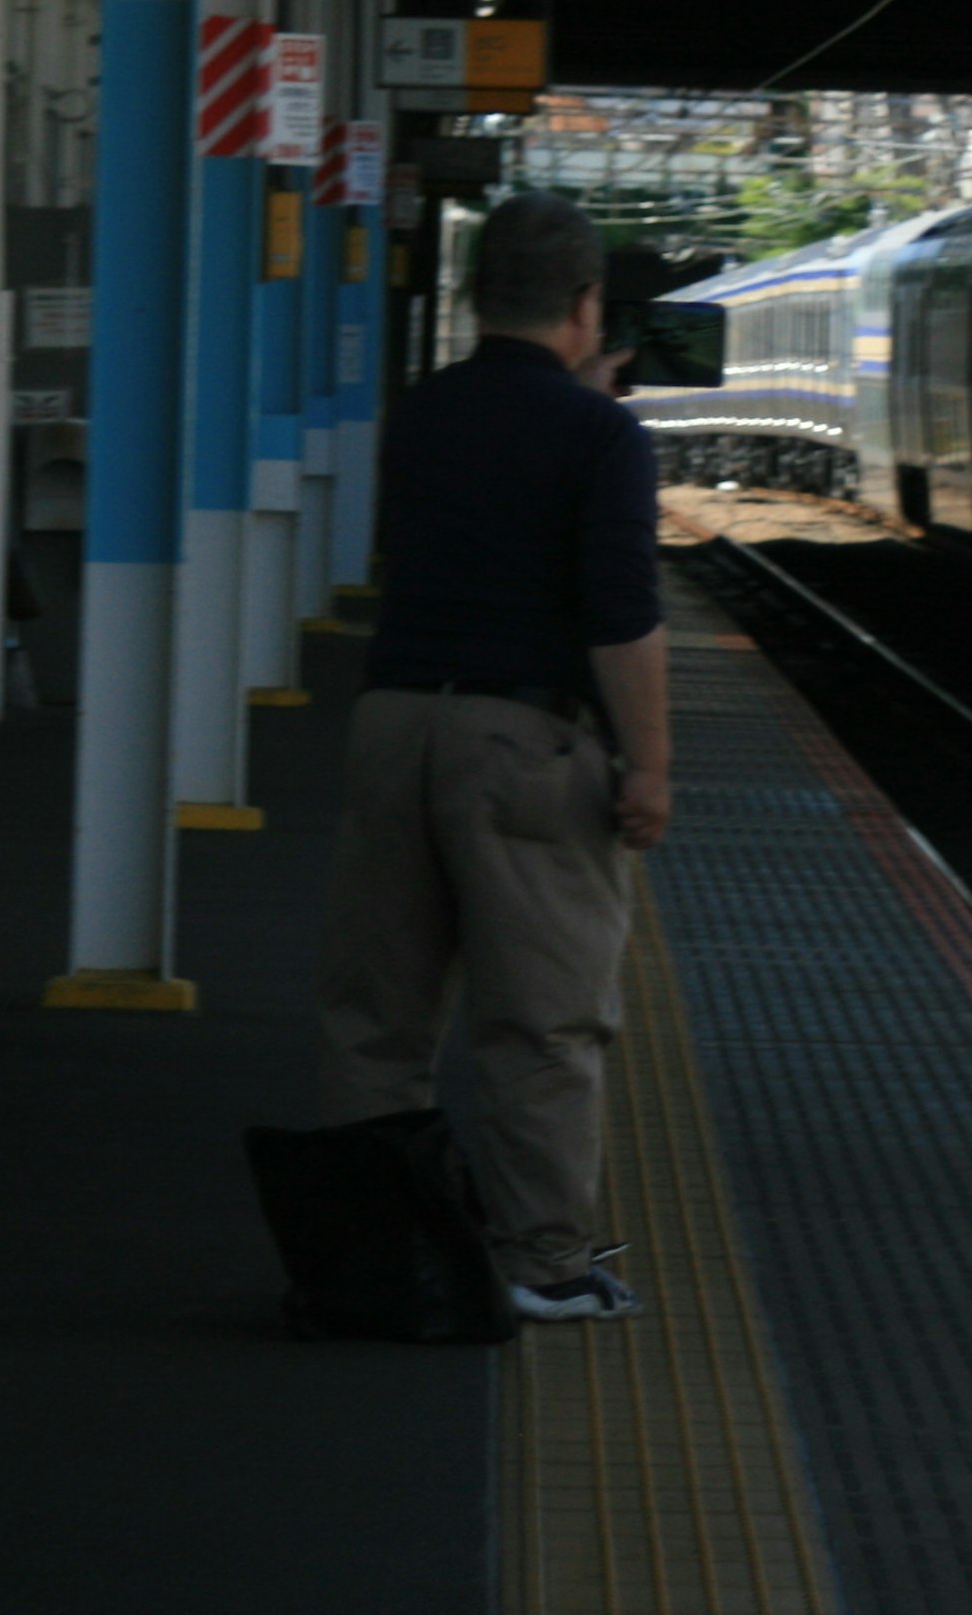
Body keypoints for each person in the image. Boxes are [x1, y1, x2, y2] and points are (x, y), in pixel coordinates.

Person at [313, 191, 674, 1323]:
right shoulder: (600, 434)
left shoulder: (419, 412)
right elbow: (620, 618)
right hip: (522, 740)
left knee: (379, 1012)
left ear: (472, 300)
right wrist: (649, 768)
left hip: (394, 724)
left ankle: (376, 1252)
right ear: (585, 306)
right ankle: (541, 1260)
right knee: (542, 1015)